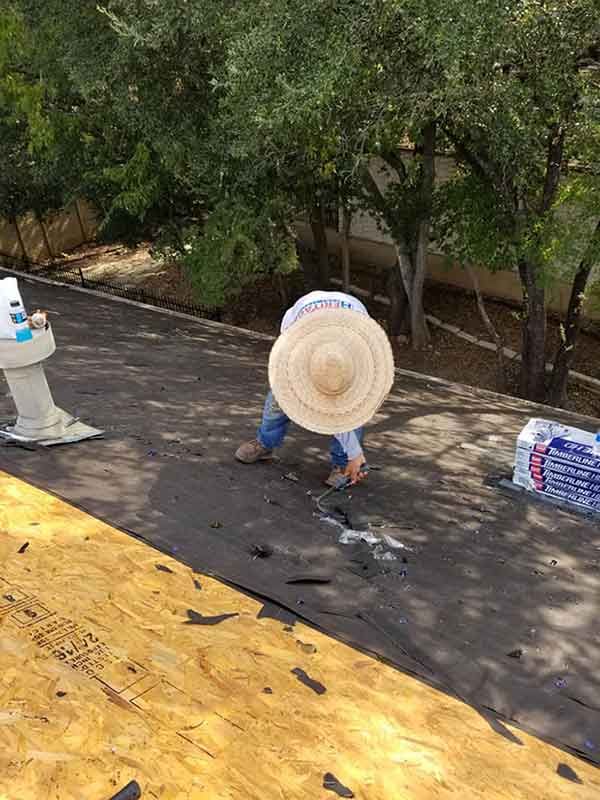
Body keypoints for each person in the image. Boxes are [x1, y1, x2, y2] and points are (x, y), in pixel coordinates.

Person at [235, 290, 395, 486]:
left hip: (351, 351)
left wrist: (354, 454)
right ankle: (265, 443)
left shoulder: (362, 350)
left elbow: (337, 415)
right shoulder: (294, 335)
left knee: (353, 409)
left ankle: (344, 464)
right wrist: (356, 453)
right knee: (279, 397)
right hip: (305, 339)